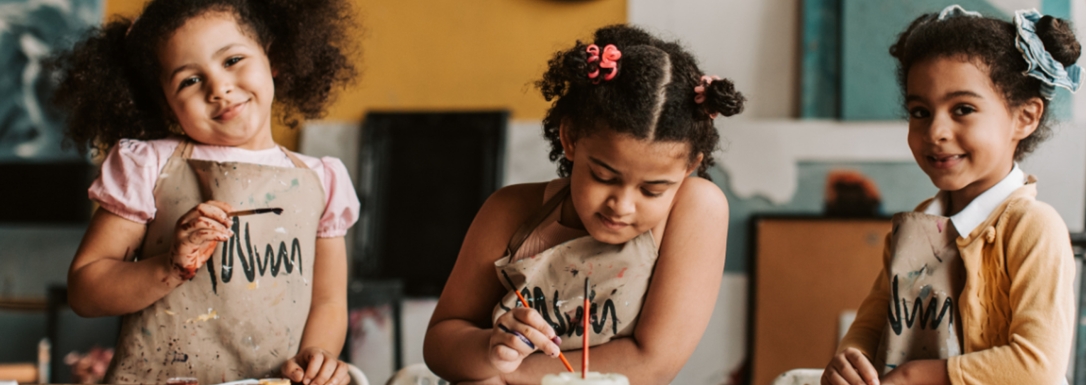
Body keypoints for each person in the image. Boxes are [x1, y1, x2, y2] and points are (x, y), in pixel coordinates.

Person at [51, 0, 359, 383]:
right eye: (189, 80)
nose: (219, 88)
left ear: (274, 58)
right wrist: (168, 267)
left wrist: (320, 355)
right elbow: (85, 289)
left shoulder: (323, 180)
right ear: (165, 103)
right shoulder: (147, 165)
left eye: (232, 60)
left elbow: (328, 301)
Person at [422, 24, 741, 384]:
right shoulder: (509, 212)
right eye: (604, 177)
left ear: (689, 167)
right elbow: (441, 340)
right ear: (570, 138)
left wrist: (505, 374)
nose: (621, 205)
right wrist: (490, 349)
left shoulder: (696, 210)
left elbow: (652, 363)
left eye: (652, 191)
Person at [823, 5, 1081, 385]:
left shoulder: (1035, 229)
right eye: (920, 111)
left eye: (962, 109)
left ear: (1025, 117)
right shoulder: (913, 229)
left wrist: (916, 375)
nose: (936, 131)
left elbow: (1037, 367)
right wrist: (851, 361)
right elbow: (874, 323)